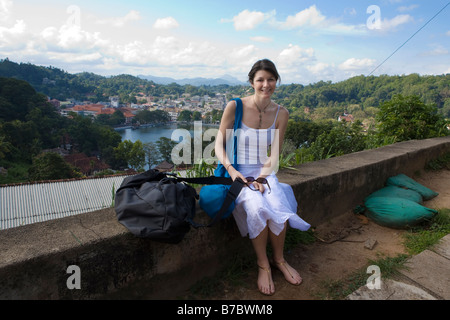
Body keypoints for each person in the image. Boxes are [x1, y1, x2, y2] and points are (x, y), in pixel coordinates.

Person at [214, 59, 311, 296]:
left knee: (277, 204)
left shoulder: (281, 113)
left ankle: (279, 259)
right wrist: (232, 171)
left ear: (276, 81)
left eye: (271, 79)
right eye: (260, 80)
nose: (266, 84)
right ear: (251, 82)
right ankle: (263, 264)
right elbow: (219, 143)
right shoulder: (234, 107)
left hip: (264, 171)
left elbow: (274, 154)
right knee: (257, 206)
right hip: (237, 171)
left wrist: (262, 177)